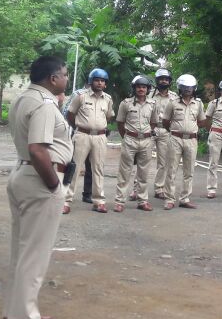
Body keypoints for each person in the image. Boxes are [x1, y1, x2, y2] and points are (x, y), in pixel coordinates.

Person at [3, 56, 71, 319]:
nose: (67, 78)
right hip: (39, 179)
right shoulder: (43, 104)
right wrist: (54, 185)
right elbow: (38, 149)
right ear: (53, 79)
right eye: (64, 74)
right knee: (35, 253)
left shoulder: (23, 98)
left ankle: (17, 309)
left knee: (22, 250)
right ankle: (23, 318)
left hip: (23, 174)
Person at [65, 68, 114, 214]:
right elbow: (70, 114)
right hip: (82, 135)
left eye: (102, 81)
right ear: (91, 81)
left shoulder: (108, 99)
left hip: (100, 137)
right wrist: (79, 127)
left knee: (98, 169)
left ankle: (98, 201)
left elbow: (109, 116)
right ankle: (66, 200)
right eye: (97, 80)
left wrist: (99, 127)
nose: (99, 83)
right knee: (74, 168)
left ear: (105, 84)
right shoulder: (81, 96)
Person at [160, 74, 207, 210]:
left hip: (191, 140)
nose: (187, 89)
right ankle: (169, 199)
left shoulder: (198, 104)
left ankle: (185, 198)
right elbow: (165, 121)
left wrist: (191, 129)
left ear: (194, 88)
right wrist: (176, 131)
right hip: (175, 139)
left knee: (189, 171)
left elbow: (202, 121)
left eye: (190, 87)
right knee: (171, 170)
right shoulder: (172, 103)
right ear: (180, 88)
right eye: (185, 87)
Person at [114, 75, 157, 211]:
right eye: (138, 87)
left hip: (146, 141)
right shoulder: (126, 103)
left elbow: (153, 122)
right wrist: (126, 137)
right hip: (130, 140)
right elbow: (120, 123)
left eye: (144, 87)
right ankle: (120, 202)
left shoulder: (152, 104)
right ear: (134, 88)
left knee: (143, 173)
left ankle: (142, 201)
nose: (141, 89)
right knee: (124, 172)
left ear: (147, 89)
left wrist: (146, 134)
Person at [150, 69, 176, 201]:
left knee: (163, 161)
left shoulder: (174, 97)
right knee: (143, 160)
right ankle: (136, 189)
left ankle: (159, 188)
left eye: (166, 79)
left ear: (170, 81)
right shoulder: (149, 94)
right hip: (149, 129)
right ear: (157, 81)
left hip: (165, 130)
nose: (164, 81)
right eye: (161, 79)